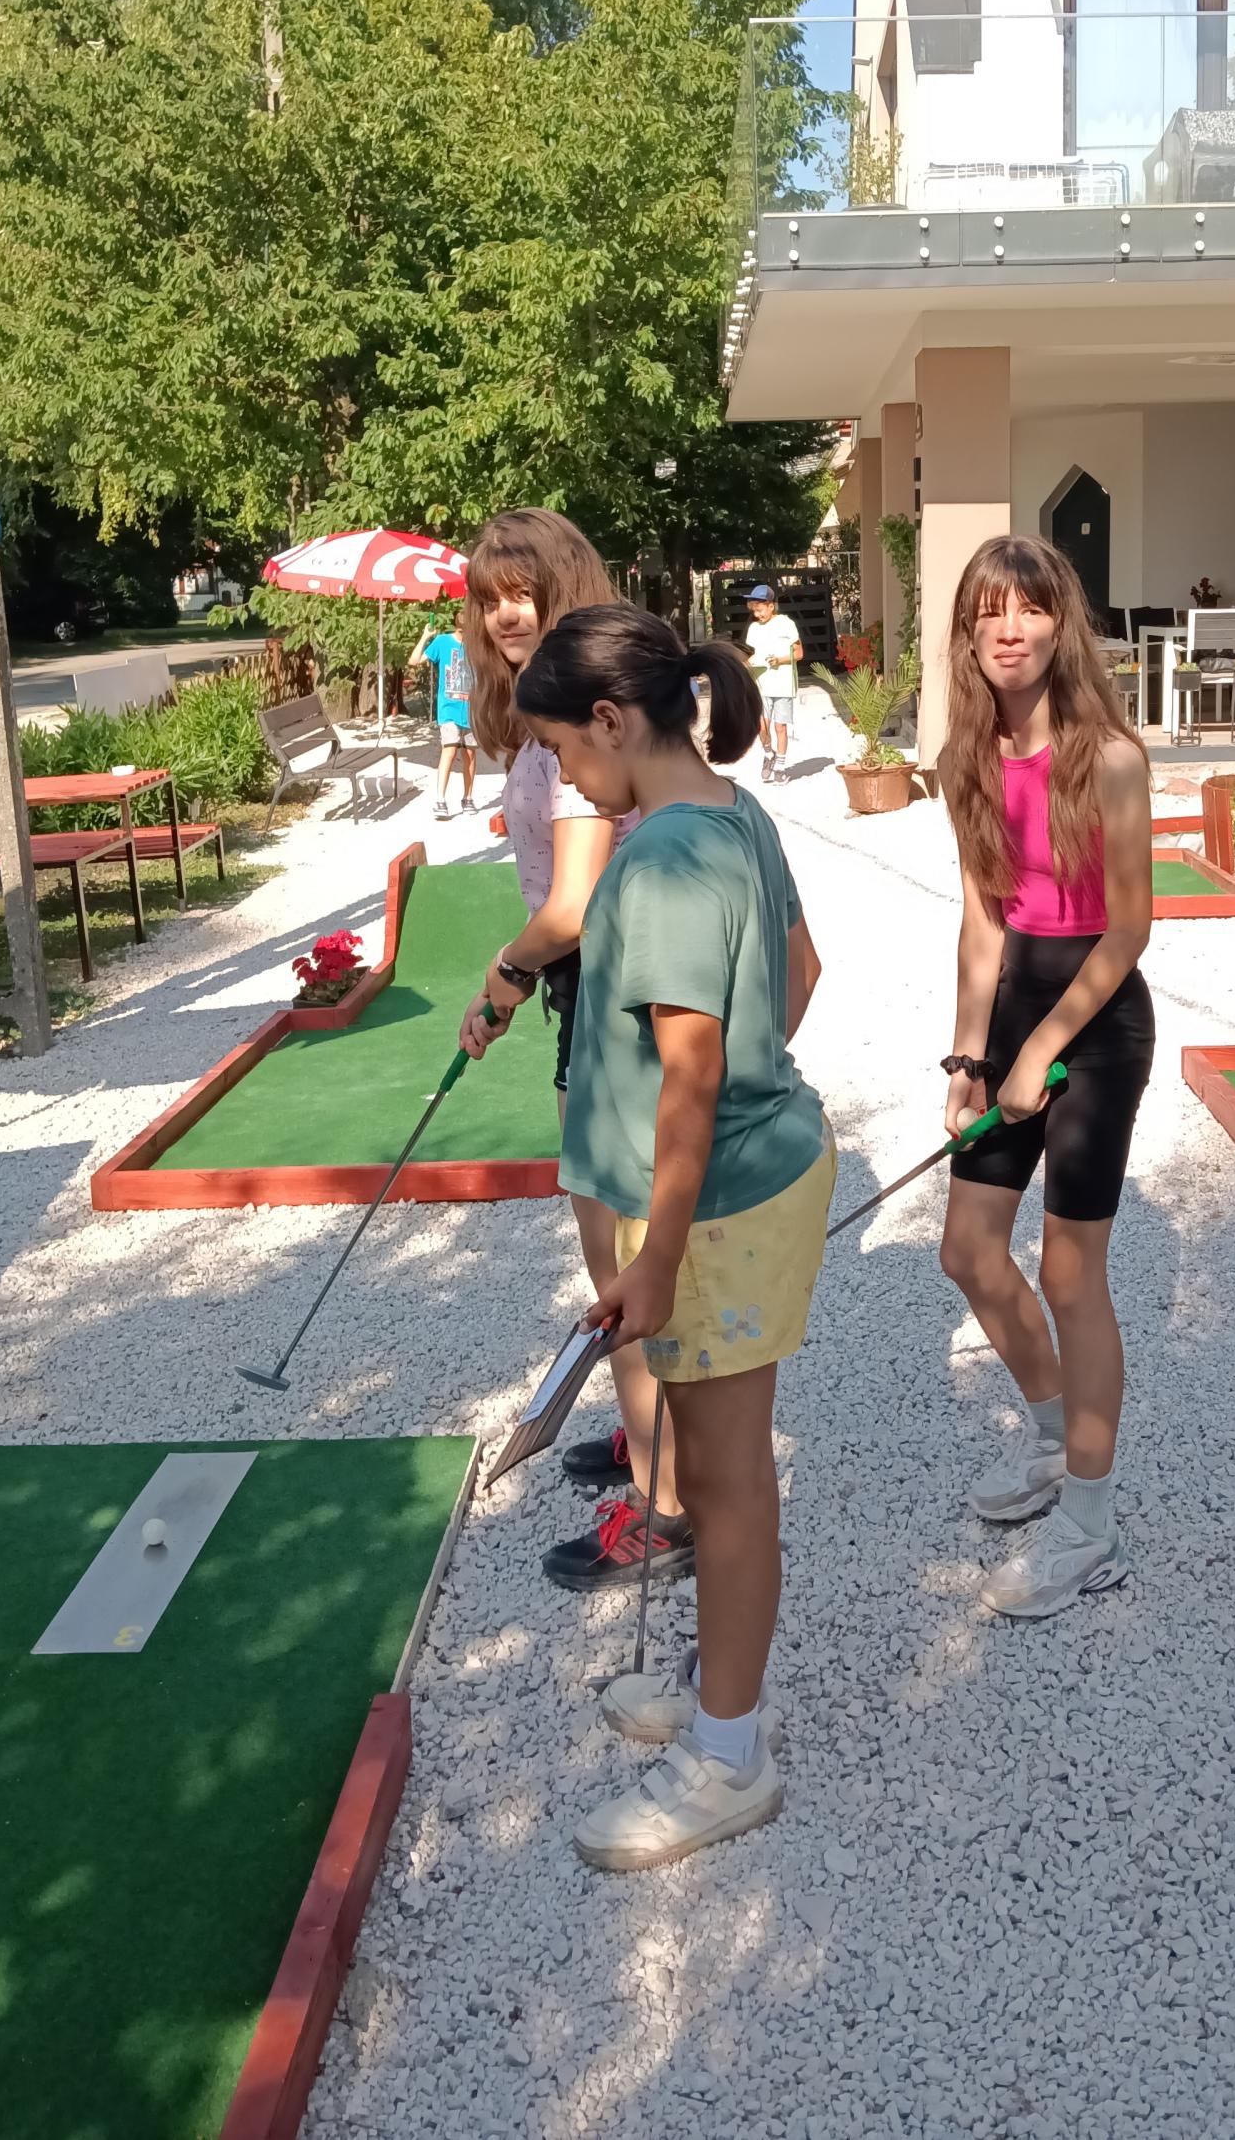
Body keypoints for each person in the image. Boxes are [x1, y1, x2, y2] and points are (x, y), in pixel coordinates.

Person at [512, 602, 830, 1869]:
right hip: (742, 1189)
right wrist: (752, 1080)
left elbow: (692, 1077)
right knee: (717, 1463)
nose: (569, 779)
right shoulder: (735, 813)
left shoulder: (660, 863)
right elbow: (799, 977)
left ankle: (728, 1754)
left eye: (564, 751)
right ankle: (720, 1684)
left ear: (610, 720)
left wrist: (656, 1253)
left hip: (714, 1213)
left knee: (729, 1482)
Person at [455, 509, 689, 1597]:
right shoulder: (557, 721)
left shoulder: (571, 742)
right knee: (616, 1249)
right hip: (595, 992)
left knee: (619, 1264)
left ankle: (667, 1507)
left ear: (564, 588)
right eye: (489, 597)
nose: (506, 613)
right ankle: (650, 1443)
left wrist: (503, 975)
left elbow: (576, 906)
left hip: (608, 990)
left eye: (524, 591)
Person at [934, 533, 1154, 1620]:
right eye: (990, 612)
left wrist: (1041, 1050)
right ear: (967, 633)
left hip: (1098, 1025)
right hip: (1016, 1015)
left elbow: (1130, 930)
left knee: (1071, 1277)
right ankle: (1054, 1439)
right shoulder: (964, 760)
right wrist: (973, 1060)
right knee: (969, 1252)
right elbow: (983, 925)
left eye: (1028, 609)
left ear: (1061, 624)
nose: (1009, 630)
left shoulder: (1109, 756)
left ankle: (1092, 1525)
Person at [407, 621, 478, 819]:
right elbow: (414, 661)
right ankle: (440, 799)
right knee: (450, 749)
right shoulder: (442, 641)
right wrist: (425, 636)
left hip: (472, 710)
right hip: (448, 709)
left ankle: (468, 797)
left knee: (470, 754)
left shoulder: (478, 644)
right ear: (458, 625)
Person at [744, 582, 801, 783]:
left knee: (780, 727)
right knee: (761, 727)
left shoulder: (786, 624)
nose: (757, 614)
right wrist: (744, 665)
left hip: (783, 684)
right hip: (761, 684)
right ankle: (769, 754)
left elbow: (799, 653)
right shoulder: (753, 628)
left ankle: (781, 767)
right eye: (754, 611)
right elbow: (754, 655)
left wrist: (780, 660)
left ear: (771, 606)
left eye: (760, 610)